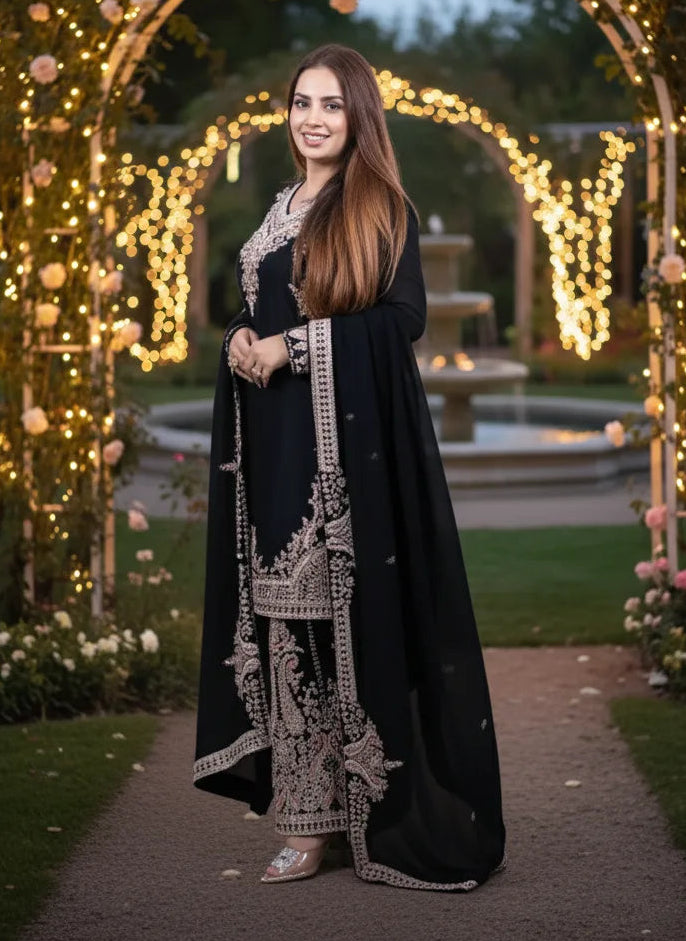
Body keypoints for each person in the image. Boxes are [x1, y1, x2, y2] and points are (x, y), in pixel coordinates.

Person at [194, 43, 506, 890]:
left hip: (342, 460)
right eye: (302, 102)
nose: (313, 118)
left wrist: (294, 348)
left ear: (358, 115)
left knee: (342, 627)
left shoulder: (381, 208)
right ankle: (303, 818)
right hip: (270, 451)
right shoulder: (277, 206)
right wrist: (241, 343)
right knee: (283, 629)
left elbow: (402, 320)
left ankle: (362, 809)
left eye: (331, 104)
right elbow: (249, 308)